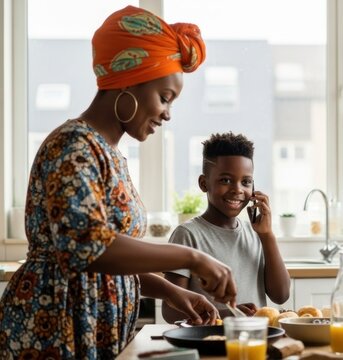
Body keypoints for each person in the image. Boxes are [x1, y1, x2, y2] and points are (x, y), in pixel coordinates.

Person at [0, 6, 238, 358]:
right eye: (165, 97)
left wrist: (170, 291)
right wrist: (192, 257)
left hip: (92, 329)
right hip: (55, 330)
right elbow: (88, 248)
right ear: (128, 83)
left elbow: (111, 260)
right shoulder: (73, 146)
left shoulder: (109, 154)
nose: (168, 113)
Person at [162, 132, 291, 322]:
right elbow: (171, 311)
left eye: (246, 182)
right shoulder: (188, 235)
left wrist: (267, 236)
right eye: (225, 180)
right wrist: (228, 315)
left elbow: (281, 295)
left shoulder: (256, 234)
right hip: (209, 342)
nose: (237, 189)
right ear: (204, 183)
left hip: (254, 342)